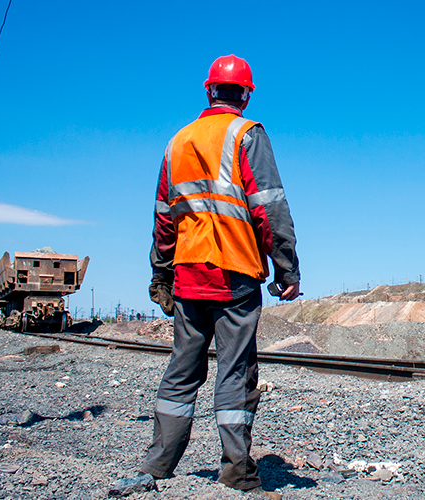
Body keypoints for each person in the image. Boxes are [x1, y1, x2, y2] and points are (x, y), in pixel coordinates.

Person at [143, 54, 300, 499]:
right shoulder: (247, 134)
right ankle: (236, 473)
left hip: (188, 273)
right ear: (246, 94)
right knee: (234, 371)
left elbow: (163, 218)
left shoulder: (178, 142)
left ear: (209, 90)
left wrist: (160, 273)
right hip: (234, 272)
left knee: (181, 370)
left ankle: (158, 465)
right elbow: (268, 206)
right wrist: (287, 267)